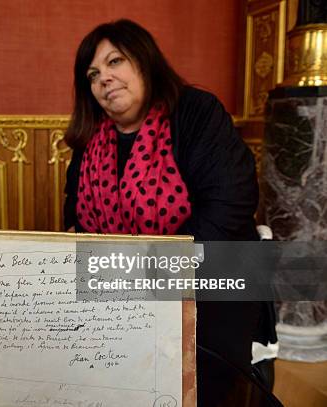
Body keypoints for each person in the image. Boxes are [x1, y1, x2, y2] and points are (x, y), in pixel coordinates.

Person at [63, 19, 275, 405]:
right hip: (119, 286)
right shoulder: (88, 143)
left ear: (145, 63)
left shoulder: (195, 111)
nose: (103, 79)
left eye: (115, 62)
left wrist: (155, 279)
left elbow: (229, 206)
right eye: (93, 75)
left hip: (212, 279)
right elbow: (74, 224)